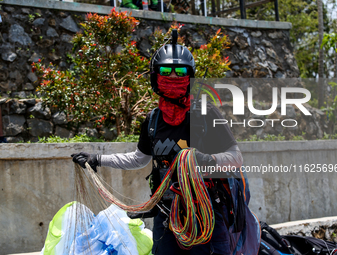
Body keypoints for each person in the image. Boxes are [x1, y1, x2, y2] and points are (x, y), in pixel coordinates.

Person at [72, 29, 244, 255]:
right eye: (166, 71)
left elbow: (236, 158)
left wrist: (205, 160)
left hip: (204, 215)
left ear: (190, 76)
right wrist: (97, 159)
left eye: (180, 71)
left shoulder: (205, 114)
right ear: (155, 77)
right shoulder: (153, 120)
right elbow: (138, 158)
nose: (173, 77)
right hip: (166, 214)